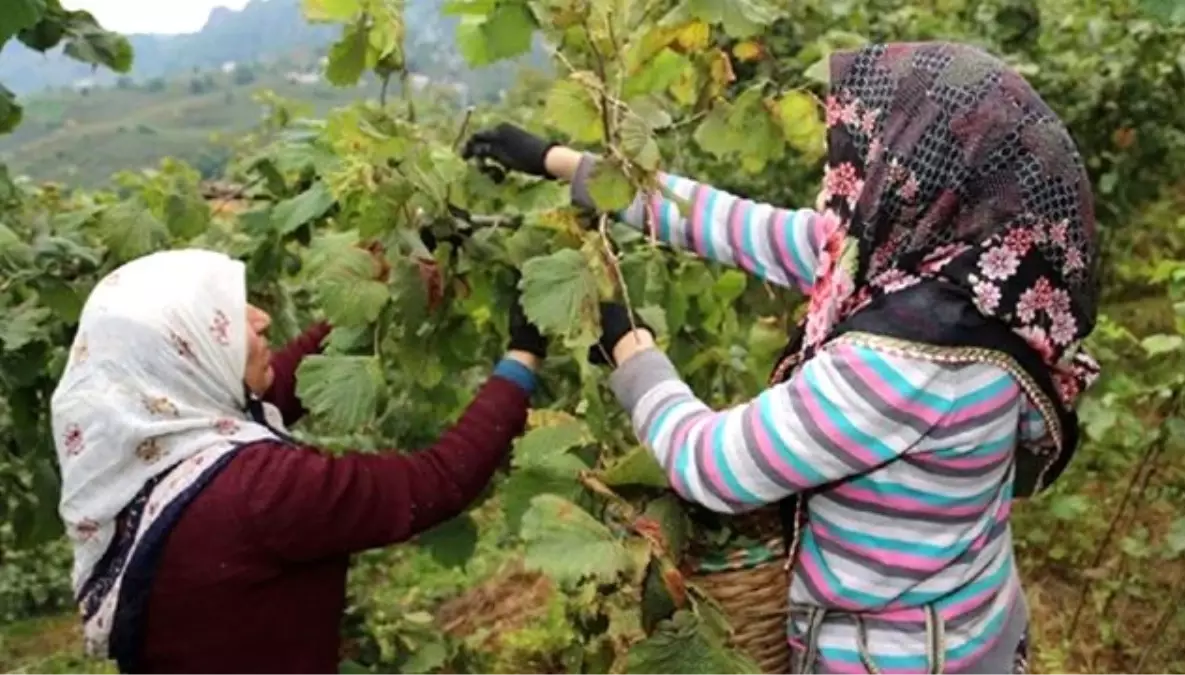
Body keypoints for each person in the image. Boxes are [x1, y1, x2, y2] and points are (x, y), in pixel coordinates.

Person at [464, 42, 1100, 674]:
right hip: (972, 622)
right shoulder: (978, 280)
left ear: (921, 172)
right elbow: (738, 226)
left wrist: (632, 354)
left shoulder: (910, 363)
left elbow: (715, 467)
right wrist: (564, 164)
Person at [50, 247, 547, 675]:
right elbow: (437, 481)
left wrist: (384, 277)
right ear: (190, 354)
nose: (261, 317)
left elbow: (284, 382)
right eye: (223, 318)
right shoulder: (261, 491)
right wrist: (522, 358)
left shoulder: (147, 443)